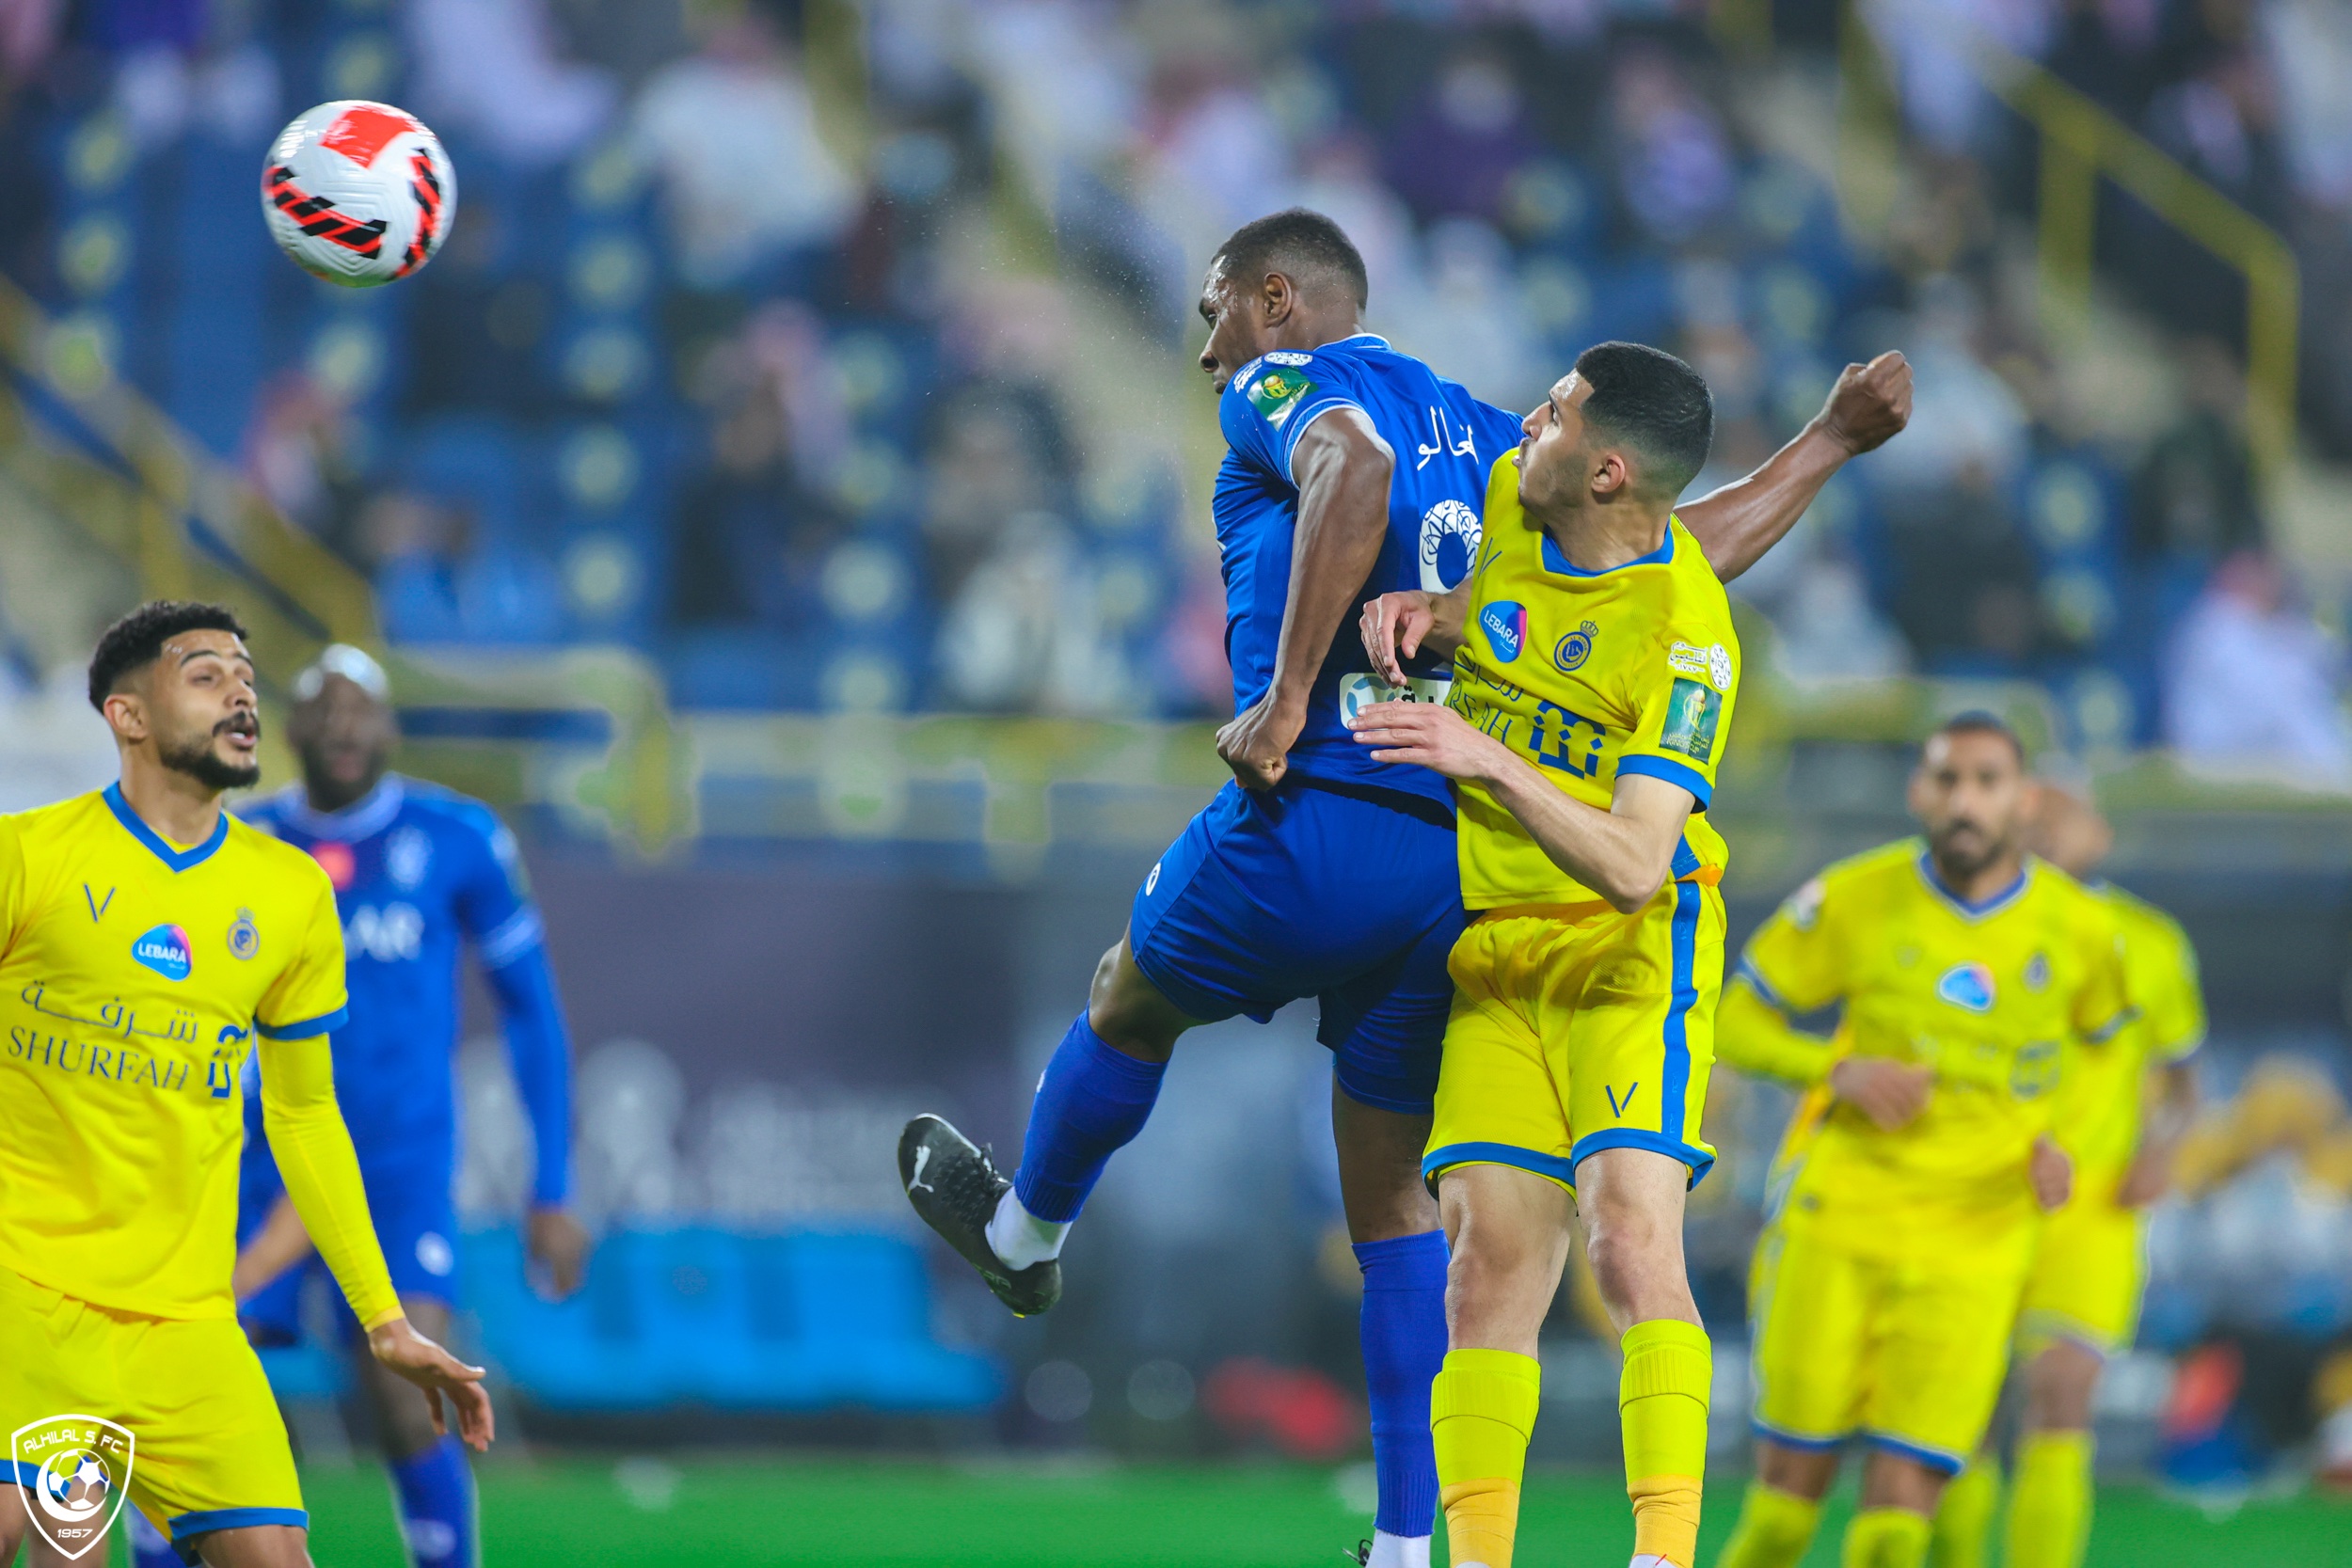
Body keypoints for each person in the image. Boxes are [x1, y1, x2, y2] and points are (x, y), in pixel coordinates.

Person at [898, 208, 1911, 1568]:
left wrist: (1285, 696)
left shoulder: (1294, 387)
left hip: (1328, 810)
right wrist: (1829, 444)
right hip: (1460, 873)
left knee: (1125, 997)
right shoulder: (1494, 437)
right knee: (1402, 1210)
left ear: (1276, 301)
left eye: (1214, 312)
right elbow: (1679, 541)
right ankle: (1399, 1542)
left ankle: (1027, 1231)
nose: (1206, 350)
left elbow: (1352, 468)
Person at [1353, 341, 1744, 1568]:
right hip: (1497, 960)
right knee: (1484, 1270)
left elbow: (1634, 860)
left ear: (1610, 469)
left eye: (1560, 412)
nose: (1533, 419)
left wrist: (1486, 758)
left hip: (1632, 960)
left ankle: (1663, 1556)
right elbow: (1511, 625)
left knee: (1631, 1240)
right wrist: (1440, 616)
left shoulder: (1689, 641)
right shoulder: (1522, 524)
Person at [0, 602, 490, 1568]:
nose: (240, 691)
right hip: (32, 1300)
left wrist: (384, 1320)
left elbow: (307, 1114)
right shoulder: (29, 857)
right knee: (55, 1546)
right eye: (204, 673)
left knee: (274, 1557)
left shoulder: (291, 892)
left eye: (247, 678)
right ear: (127, 715)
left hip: (189, 1324)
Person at [127, 644, 584, 1568]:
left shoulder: (458, 837)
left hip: (395, 1163)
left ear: (389, 727)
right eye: (322, 714)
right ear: (285, 730)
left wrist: (555, 1183)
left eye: (359, 712)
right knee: (183, 1399)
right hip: (250, 1162)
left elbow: (532, 1011)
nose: (341, 729)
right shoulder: (232, 839)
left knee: (406, 1391)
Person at [1708, 715, 2132, 1568]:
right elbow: (1732, 1017)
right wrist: (1838, 1068)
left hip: (1976, 1245)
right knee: (1784, 1517)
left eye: (1986, 781)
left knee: (1898, 1529)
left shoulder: (2082, 931)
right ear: (1918, 792)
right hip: (1840, 1218)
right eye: (1947, 779)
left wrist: (2062, 1145)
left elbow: (2108, 1053)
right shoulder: (1856, 897)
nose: (1965, 800)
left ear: (2023, 799)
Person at [1931, 787, 2203, 1568]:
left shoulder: (2149, 941)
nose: (2045, 826)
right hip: (1977, 1197)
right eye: (2032, 813)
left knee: (2062, 1390)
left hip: (2092, 1207)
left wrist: (2162, 1151)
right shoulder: (1965, 925)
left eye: (2063, 812)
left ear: (2101, 831)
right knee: (1968, 1407)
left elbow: (2186, 1085)